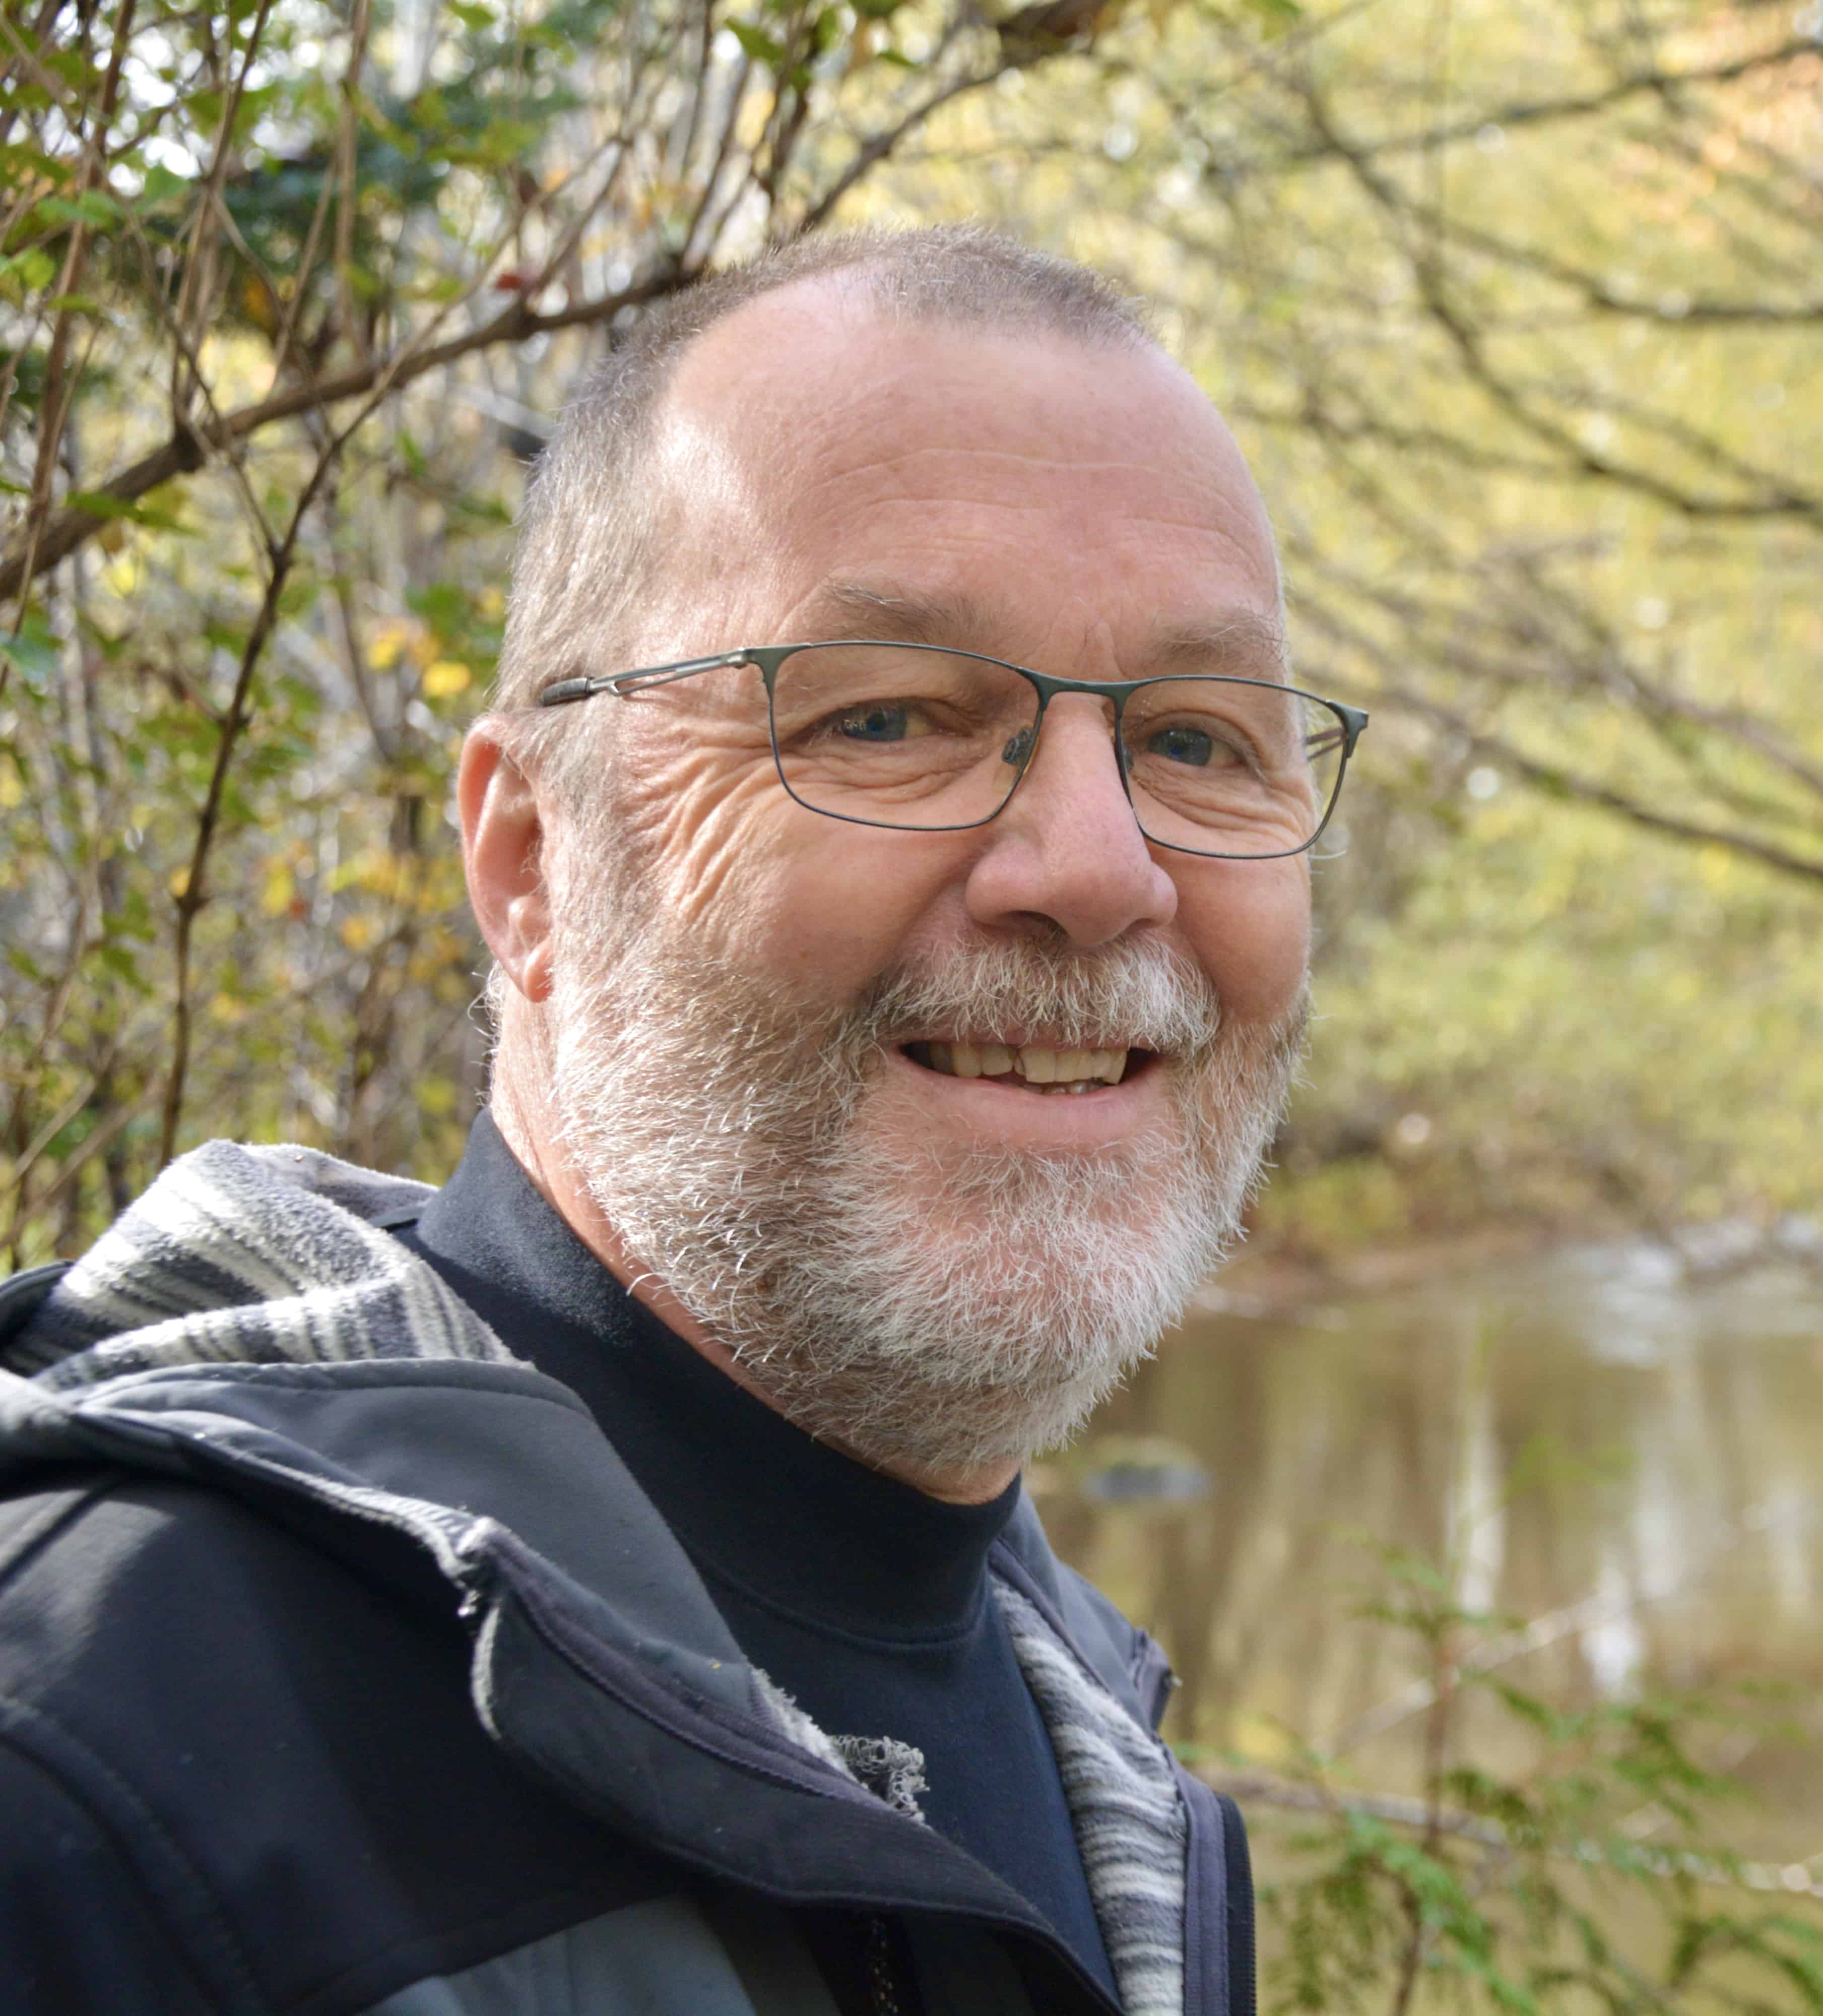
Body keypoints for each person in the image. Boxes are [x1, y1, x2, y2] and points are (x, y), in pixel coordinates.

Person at [0, 226, 1363, 2016]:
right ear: (531, 864)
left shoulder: (1112, 1779)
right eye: (887, 717)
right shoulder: (83, 1771)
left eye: (1197, 743)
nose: (1102, 872)